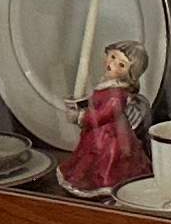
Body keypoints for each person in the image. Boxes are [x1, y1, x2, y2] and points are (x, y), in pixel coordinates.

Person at [56, 36, 155, 201]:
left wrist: (80, 117)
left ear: (130, 74)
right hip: (99, 132)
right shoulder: (107, 84)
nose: (112, 64)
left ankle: (107, 183)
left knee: (107, 159)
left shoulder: (117, 94)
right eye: (113, 57)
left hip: (111, 136)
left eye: (121, 65)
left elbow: (104, 114)